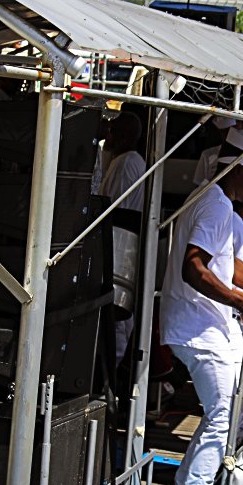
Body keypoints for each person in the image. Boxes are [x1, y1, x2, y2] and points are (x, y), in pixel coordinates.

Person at [160, 127, 243, 485]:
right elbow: (195, 266)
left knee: (224, 413)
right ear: (240, 167)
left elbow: (223, 264)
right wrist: (239, 302)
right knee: (222, 415)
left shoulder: (207, 197)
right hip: (199, 328)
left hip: (203, 326)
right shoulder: (217, 203)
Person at [98, 111, 147, 363]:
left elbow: (115, 210)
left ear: (125, 136)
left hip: (119, 248)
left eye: (113, 132)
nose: (108, 137)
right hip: (121, 247)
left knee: (117, 317)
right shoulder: (124, 160)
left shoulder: (127, 162)